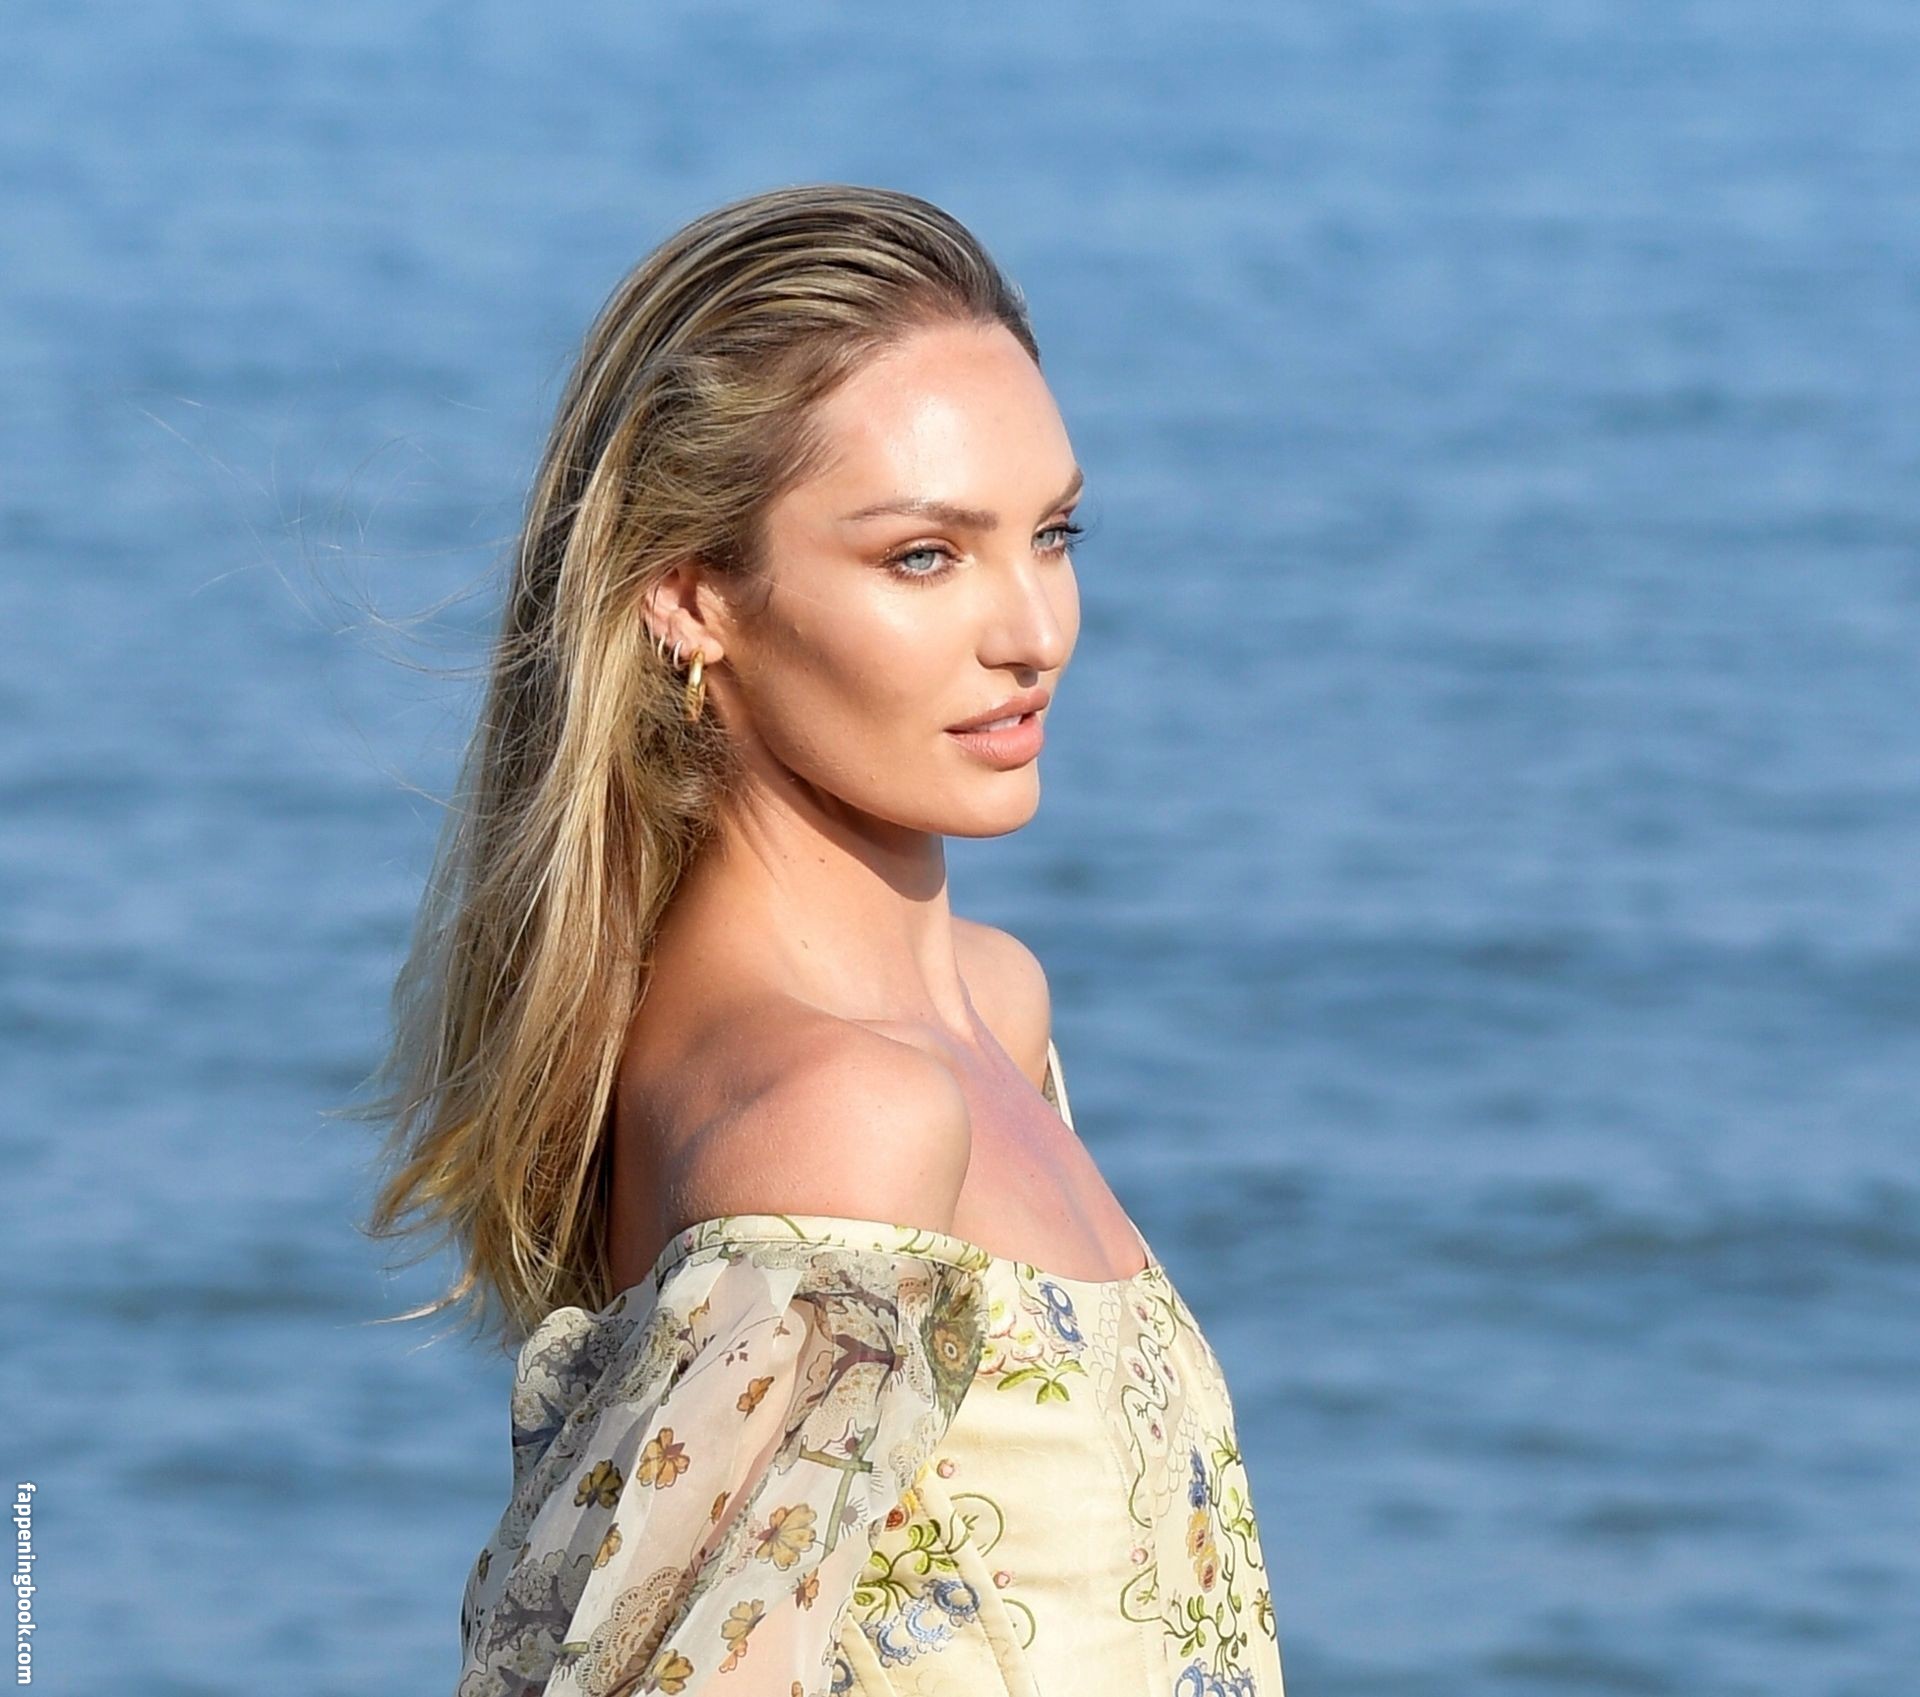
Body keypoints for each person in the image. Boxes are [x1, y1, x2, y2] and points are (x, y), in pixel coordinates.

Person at [358, 183, 1285, 1696]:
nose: (1035, 631)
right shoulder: (845, 1119)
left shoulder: (992, 1011)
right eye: (923, 555)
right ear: (688, 597)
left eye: (1051, 534)